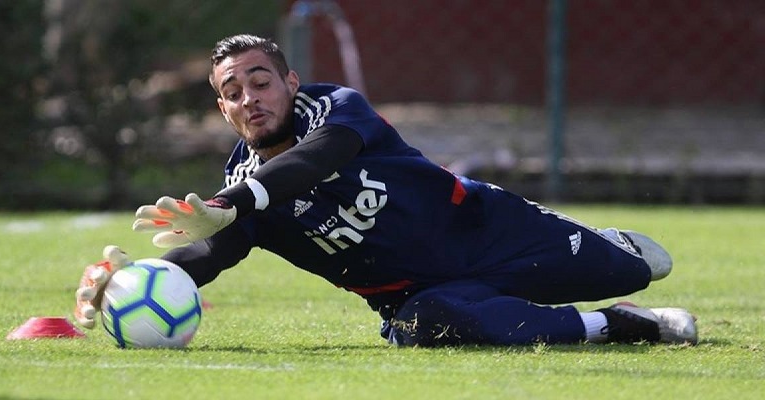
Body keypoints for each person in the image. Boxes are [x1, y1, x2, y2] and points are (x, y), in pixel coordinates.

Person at [74, 34, 697, 347]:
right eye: (233, 92)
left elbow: (321, 158)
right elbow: (212, 251)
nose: (249, 99)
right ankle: (616, 326)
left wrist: (235, 205)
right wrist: (131, 280)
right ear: (222, 107)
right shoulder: (241, 188)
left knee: (645, 266)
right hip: (422, 295)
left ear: (291, 82)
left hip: (491, 232)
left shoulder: (336, 110)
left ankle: (603, 251)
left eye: (260, 82)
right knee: (435, 327)